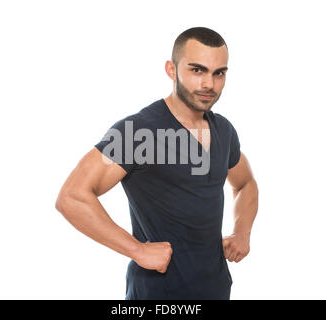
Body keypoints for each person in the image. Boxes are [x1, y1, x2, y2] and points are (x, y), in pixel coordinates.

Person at [55, 26, 259, 300]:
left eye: (218, 73)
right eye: (197, 70)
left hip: (216, 290)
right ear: (171, 70)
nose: (209, 84)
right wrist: (136, 250)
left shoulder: (224, 130)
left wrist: (242, 232)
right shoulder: (139, 132)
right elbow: (72, 196)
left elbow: (245, 183)